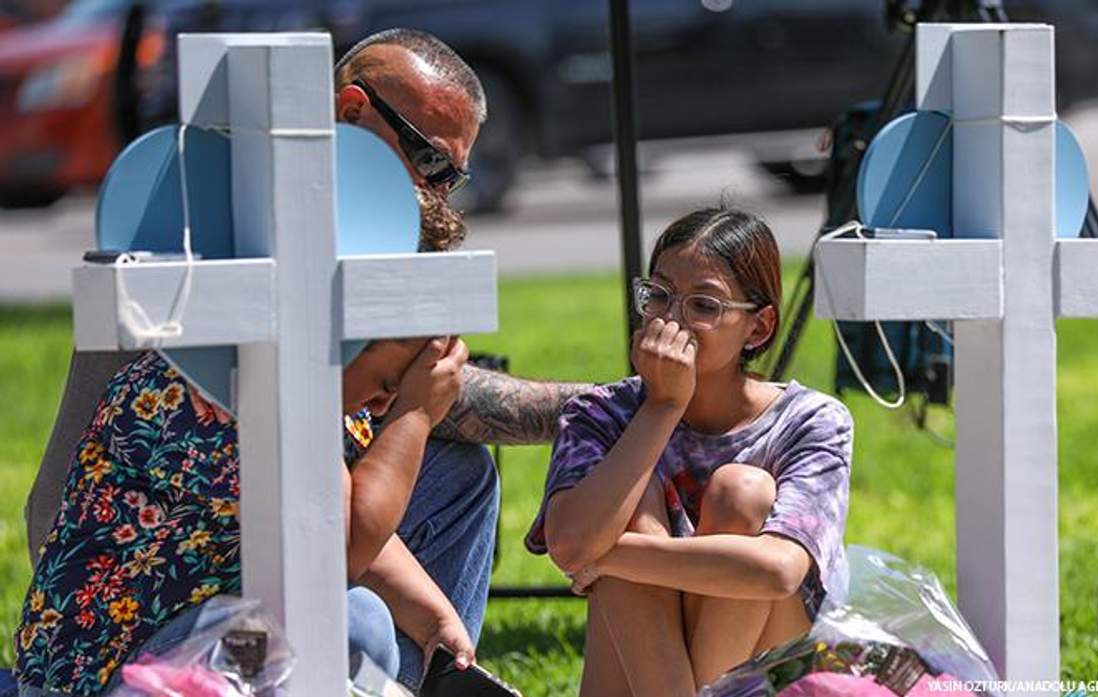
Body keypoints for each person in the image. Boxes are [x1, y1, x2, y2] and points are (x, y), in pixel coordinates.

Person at [15, 28, 590, 696]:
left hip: (198, 607)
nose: (435, 191)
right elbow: (336, 543)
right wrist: (410, 412)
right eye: (428, 161)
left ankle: (416, 679)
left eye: (450, 177)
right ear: (349, 113)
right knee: (349, 621)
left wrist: (434, 613)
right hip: (125, 660)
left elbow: (341, 503)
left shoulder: (303, 350)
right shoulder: (224, 338)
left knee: (435, 507)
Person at [526, 207, 854, 697]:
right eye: (658, 296)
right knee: (627, 498)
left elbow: (780, 569)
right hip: (636, 670)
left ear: (759, 328)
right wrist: (662, 406)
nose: (671, 320)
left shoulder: (811, 420)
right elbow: (571, 542)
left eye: (703, 306)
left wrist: (611, 556)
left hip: (768, 675)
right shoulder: (600, 413)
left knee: (741, 491)